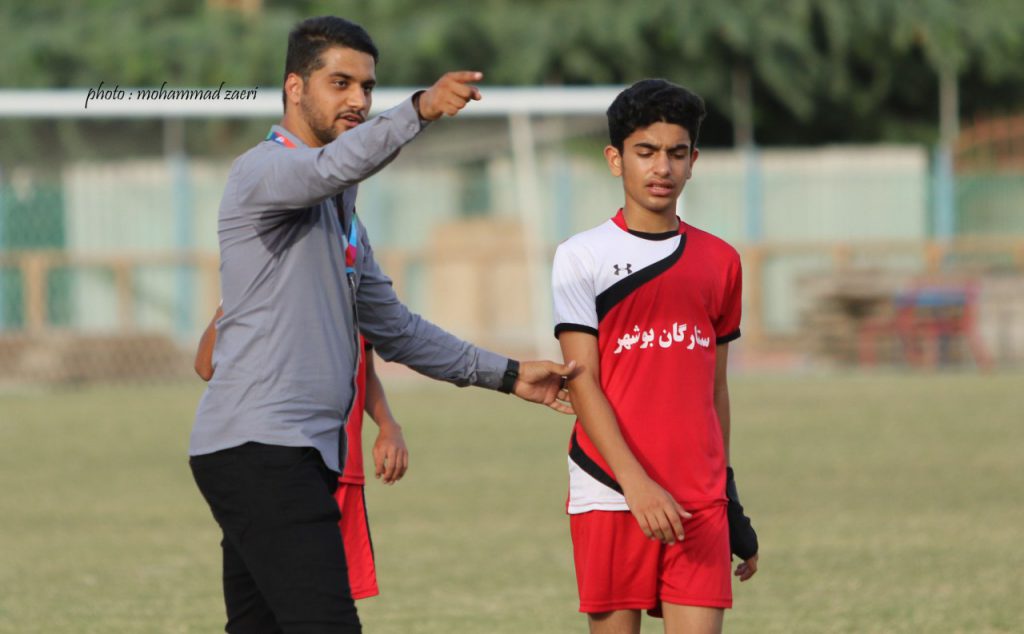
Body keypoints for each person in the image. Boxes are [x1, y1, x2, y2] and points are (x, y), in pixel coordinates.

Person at [188, 16, 575, 634]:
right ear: (294, 87)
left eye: (368, 87)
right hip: (262, 449)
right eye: (340, 83)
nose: (359, 101)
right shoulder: (261, 172)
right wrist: (417, 108)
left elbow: (395, 329)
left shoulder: (344, 219)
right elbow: (328, 168)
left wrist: (510, 375)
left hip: (292, 454)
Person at [551, 79, 759, 634]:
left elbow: (715, 391)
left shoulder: (721, 262)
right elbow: (583, 381)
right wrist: (636, 484)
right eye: (645, 152)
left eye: (676, 153)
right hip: (610, 489)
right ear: (615, 159)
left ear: (694, 161)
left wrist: (729, 499)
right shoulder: (581, 257)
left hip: (699, 499)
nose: (661, 167)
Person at [196, 311, 405, 602]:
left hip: (342, 471)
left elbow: (364, 372)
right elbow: (205, 366)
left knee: (329, 601)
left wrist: (388, 425)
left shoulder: (353, 287)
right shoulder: (268, 292)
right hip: (281, 465)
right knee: (274, 601)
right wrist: (229, 302)